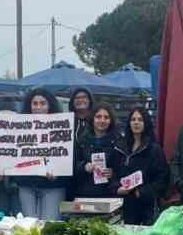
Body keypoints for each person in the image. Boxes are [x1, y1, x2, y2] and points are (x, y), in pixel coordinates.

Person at [14, 87, 67, 220]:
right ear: (29, 106)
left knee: (49, 225)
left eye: (43, 103)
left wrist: (58, 175)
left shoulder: (63, 128)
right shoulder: (18, 129)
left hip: (53, 186)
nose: (38, 107)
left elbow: (67, 159)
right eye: (35, 103)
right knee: (29, 227)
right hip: (26, 186)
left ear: (50, 106)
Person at [112, 108, 170, 225]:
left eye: (140, 120)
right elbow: (114, 173)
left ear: (146, 123)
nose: (136, 122)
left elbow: (162, 178)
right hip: (124, 205)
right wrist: (117, 188)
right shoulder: (119, 147)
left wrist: (141, 192)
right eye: (133, 119)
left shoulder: (154, 149)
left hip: (146, 207)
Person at [74, 102, 120, 199]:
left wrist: (113, 173)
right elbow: (72, 165)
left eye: (106, 117)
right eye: (98, 117)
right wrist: (84, 167)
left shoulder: (119, 142)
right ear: (92, 119)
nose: (102, 120)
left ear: (111, 121)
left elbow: (124, 169)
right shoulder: (81, 141)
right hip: (84, 193)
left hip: (109, 195)